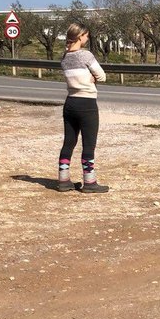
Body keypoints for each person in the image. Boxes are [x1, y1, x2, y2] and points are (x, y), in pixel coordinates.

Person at [57, 22, 109, 193]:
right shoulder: (86, 56)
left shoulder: (64, 57)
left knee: (69, 142)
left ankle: (63, 180)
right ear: (80, 36)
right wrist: (91, 79)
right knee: (88, 144)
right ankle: (89, 182)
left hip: (70, 102)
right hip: (87, 103)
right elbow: (102, 76)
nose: (87, 38)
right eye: (86, 35)